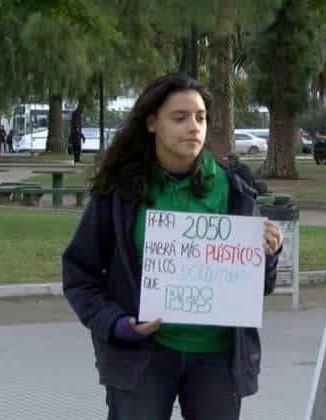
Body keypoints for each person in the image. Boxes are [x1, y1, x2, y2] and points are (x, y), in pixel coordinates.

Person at [62, 74, 283, 420]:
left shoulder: (235, 189)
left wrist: (267, 256)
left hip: (218, 360)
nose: (193, 127)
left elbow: (261, 286)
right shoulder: (120, 193)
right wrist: (117, 323)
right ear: (151, 123)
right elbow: (79, 274)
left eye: (200, 117)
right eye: (179, 118)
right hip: (142, 359)